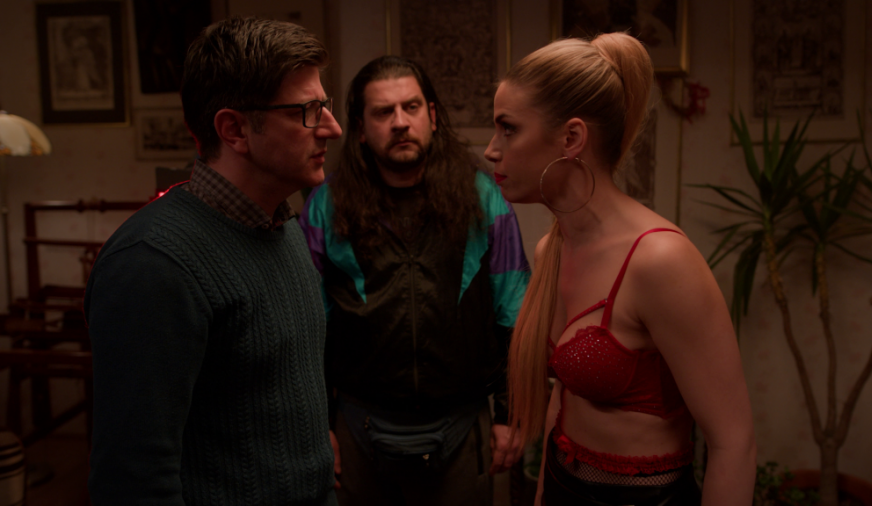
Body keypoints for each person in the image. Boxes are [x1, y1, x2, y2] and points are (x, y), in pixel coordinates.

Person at [485, 34, 756, 505]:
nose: (491, 149)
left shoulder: (660, 260)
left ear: (571, 139)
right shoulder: (553, 248)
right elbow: (563, 397)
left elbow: (734, 443)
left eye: (508, 129)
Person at [85, 18, 342, 505]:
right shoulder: (153, 265)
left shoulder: (282, 225)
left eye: (325, 105)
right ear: (234, 129)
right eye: (308, 111)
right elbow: (133, 480)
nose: (332, 126)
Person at [299, 55, 531, 506]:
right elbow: (309, 327)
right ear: (361, 128)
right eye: (383, 112)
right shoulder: (326, 205)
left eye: (411, 107)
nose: (400, 122)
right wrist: (317, 425)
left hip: (461, 424)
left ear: (433, 116)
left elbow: (515, 312)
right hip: (359, 426)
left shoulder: (483, 197)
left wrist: (510, 413)